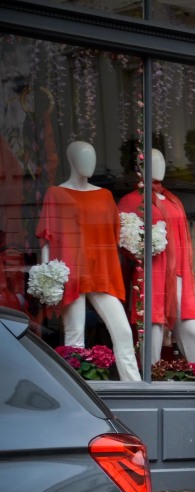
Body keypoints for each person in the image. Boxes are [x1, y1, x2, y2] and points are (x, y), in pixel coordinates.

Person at [37, 140, 141, 380]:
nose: (90, 163)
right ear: (71, 160)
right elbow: (47, 236)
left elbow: (117, 236)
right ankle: (78, 391)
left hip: (101, 271)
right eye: (84, 157)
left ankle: (134, 386)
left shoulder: (105, 196)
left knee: (123, 331)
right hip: (70, 272)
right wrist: (47, 276)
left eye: (92, 157)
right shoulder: (56, 193)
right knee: (75, 336)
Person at [117, 148, 195, 367]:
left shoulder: (172, 200)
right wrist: (141, 246)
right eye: (153, 162)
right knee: (152, 328)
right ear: (140, 168)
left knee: (192, 330)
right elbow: (123, 242)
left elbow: (185, 243)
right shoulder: (130, 201)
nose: (161, 166)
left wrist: (190, 281)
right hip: (151, 274)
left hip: (177, 275)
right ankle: (150, 379)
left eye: (162, 161)